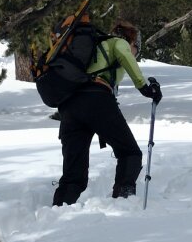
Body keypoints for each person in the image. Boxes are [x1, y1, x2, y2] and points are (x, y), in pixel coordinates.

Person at [52, 19, 162, 205]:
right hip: (97, 100)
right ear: (133, 42)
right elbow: (124, 54)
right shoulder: (118, 43)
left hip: (70, 106)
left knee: (73, 175)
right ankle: (123, 202)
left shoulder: (92, 48)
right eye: (136, 51)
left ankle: (58, 210)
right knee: (130, 153)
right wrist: (146, 88)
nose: (134, 55)